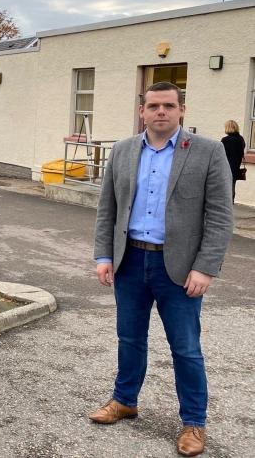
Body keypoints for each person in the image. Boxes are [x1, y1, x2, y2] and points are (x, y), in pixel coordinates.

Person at [91, 82, 234, 456]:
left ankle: (194, 423)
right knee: (130, 338)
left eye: (169, 106)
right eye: (153, 105)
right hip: (130, 262)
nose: (161, 112)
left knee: (186, 348)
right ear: (142, 111)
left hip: (180, 267)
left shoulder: (207, 151)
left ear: (181, 110)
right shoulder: (122, 151)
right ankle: (124, 400)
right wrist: (103, 256)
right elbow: (108, 208)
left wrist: (205, 267)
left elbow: (220, 216)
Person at [220, 120, 246, 202]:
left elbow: (220, 154)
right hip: (236, 166)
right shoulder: (241, 139)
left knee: (225, 188)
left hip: (226, 166)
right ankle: (231, 204)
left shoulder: (225, 140)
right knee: (232, 186)